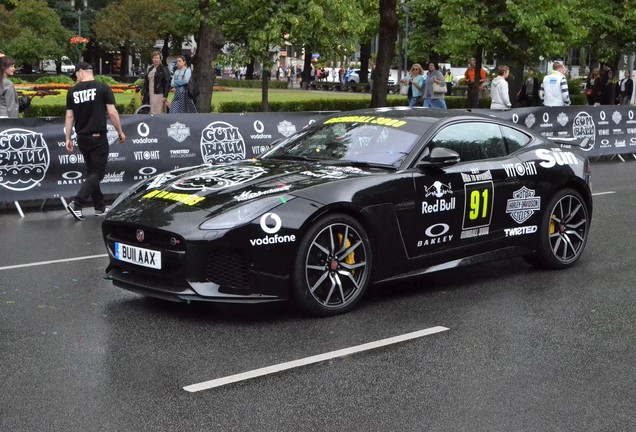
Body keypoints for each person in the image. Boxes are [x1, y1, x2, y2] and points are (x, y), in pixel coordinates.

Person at [64, 62, 125, 220]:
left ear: (82, 72)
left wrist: (67, 137)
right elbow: (112, 112)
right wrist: (119, 131)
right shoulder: (103, 88)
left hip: (82, 137)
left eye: (76, 74)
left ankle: (99, 206)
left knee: (92, 173)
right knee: (97, 173)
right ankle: (76, 203)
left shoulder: (72, 91)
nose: (76, 78)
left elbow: (70, 116)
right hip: (98, 136)